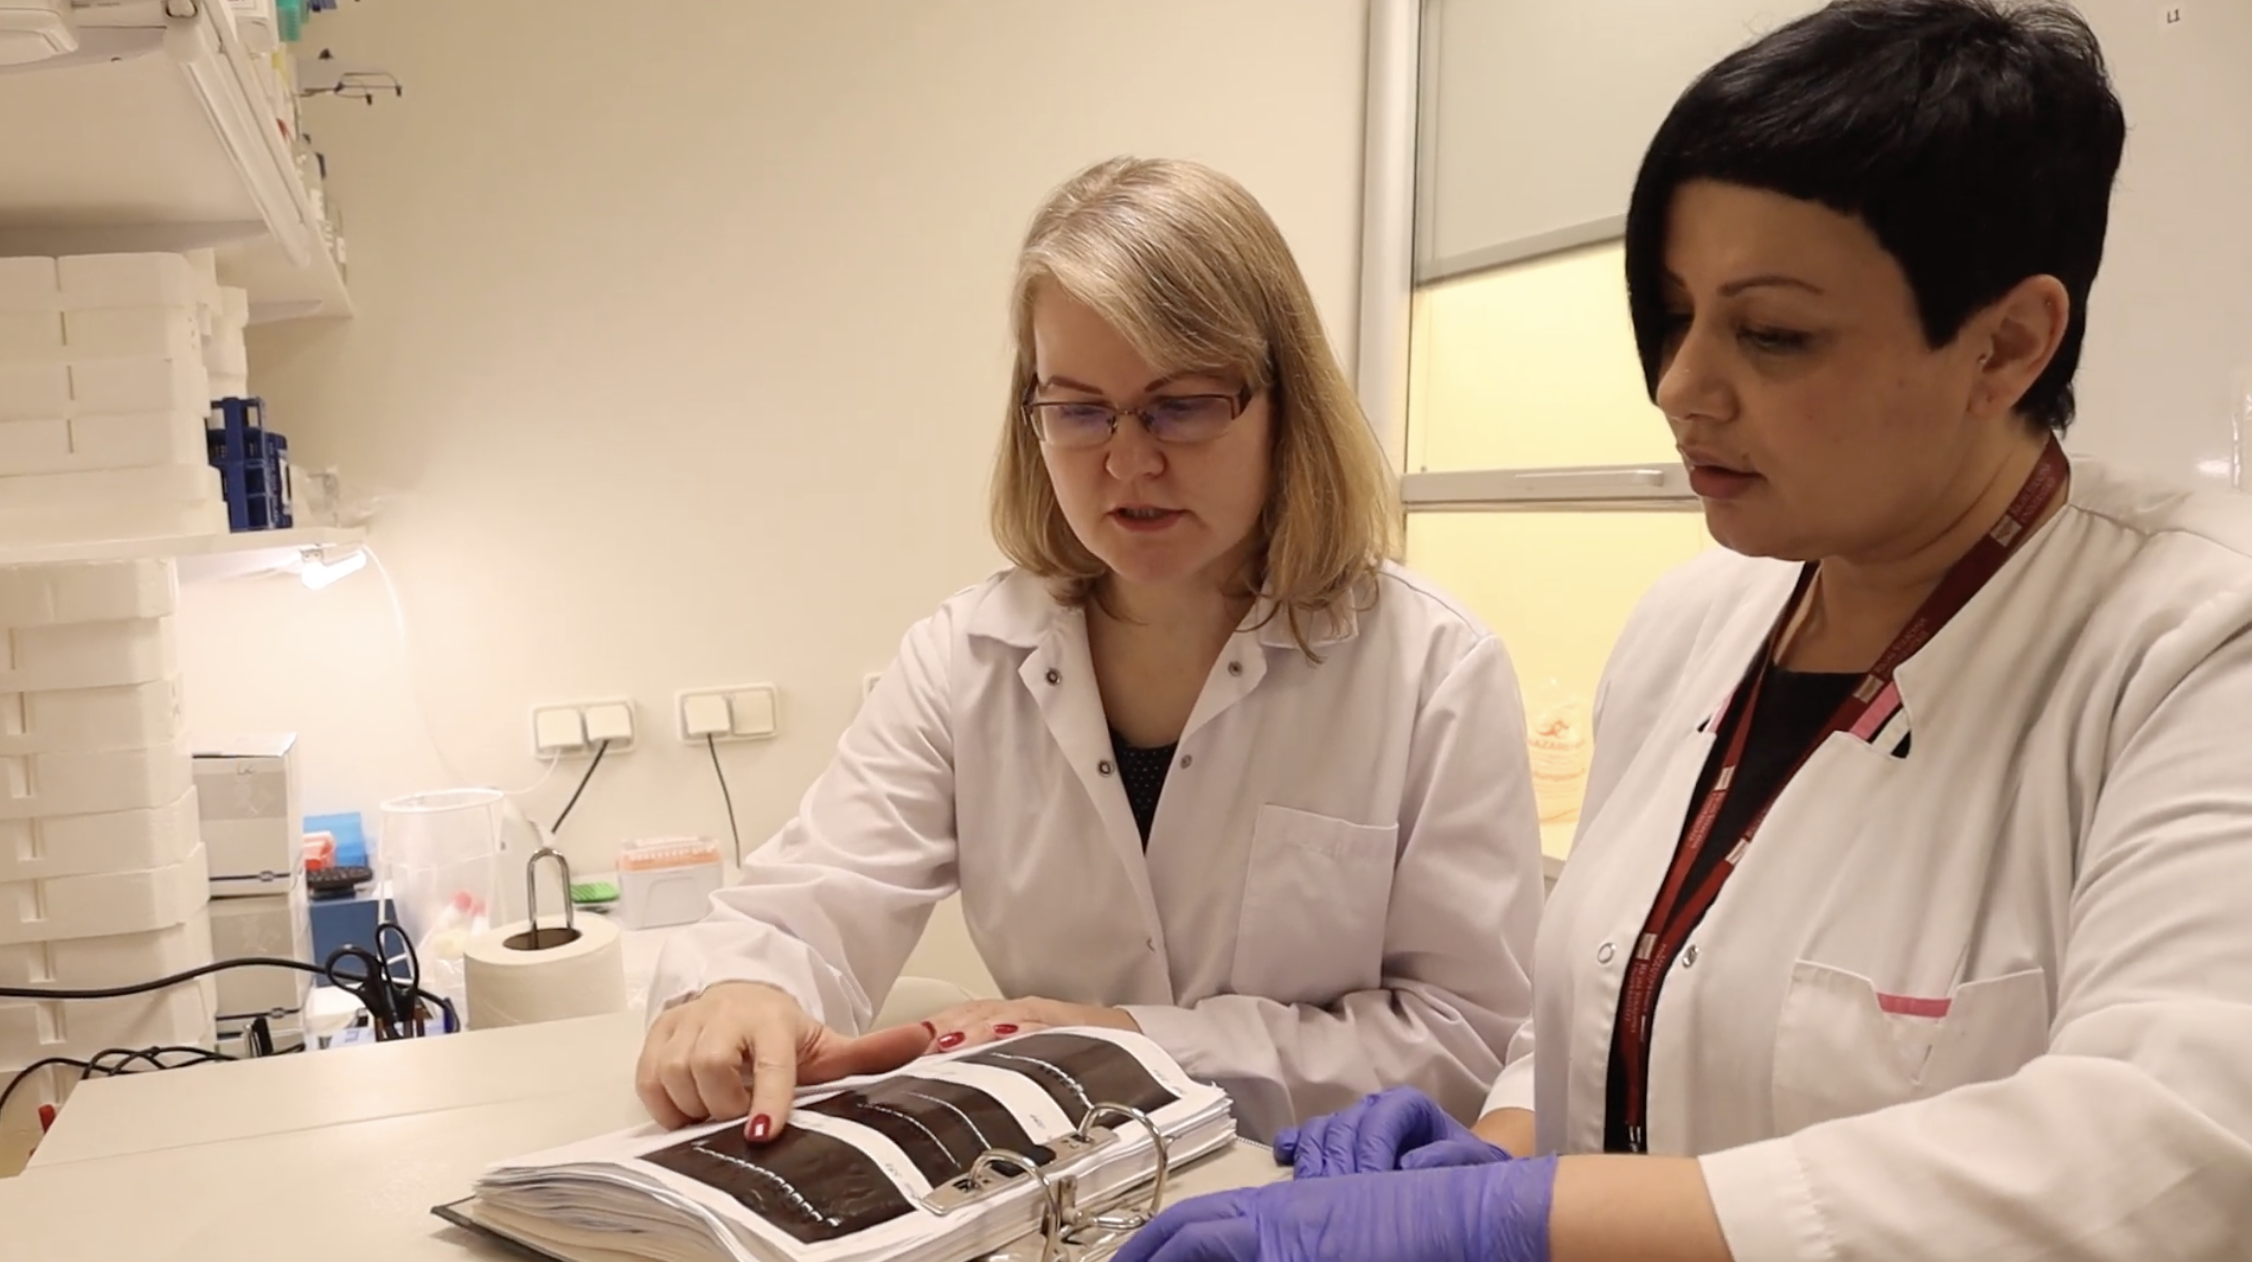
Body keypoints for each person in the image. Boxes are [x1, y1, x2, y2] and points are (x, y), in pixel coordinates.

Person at [1121, 2, 2252, 1259]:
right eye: (1672, 312)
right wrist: (1492, 1144)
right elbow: (1615, 999)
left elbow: (2170, 1147)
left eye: (1770, 332)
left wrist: (1510, 1217)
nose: (1678, 386)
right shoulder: (1687, 624)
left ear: (2005, 344)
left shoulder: (2192, 646)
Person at [635, 156, 1545, 1146]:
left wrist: (1126, 1041)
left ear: (1285, 403)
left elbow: (1469, 1039)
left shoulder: (1430, 669)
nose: (1126, 461)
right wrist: (736, 990)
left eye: (1181, 403)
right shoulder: (965, 658)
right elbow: (803, 906)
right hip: (1047, 1199)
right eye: (1076, 409)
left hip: (1312, 1208)